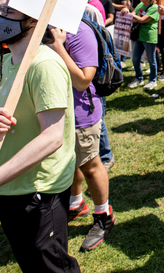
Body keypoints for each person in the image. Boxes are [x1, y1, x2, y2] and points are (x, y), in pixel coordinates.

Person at [0, 0, 81, 272]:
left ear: (32, 20)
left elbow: (52, 137)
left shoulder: (44, 65)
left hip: (40, 192)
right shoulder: (0, 65)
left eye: (8, 10)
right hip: (9, 187)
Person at [47, 17, 116, 252]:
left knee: (89, 163)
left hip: (80, 113)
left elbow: (83, 79)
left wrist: (58, 48)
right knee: (71, 162)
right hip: (56, 111)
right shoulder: (47, 26)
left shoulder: (79, 30)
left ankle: (104, 214)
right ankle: (76, 203)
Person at [123, 0, 159, 90]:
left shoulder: (155, 8)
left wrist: (130, 14)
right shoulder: (141, 4)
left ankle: (152, 80)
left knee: (151, 59)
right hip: (139, 35)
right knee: (135, 59)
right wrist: (127, 12)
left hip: (149, 36)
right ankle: (138, 77)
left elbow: (142, 19)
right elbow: (133, 17)